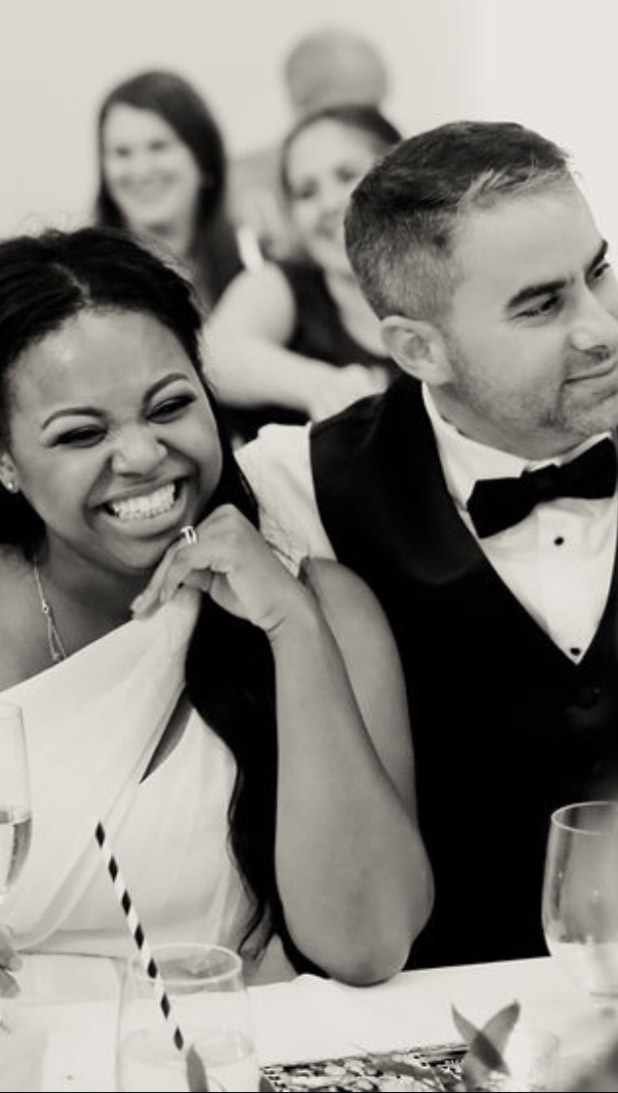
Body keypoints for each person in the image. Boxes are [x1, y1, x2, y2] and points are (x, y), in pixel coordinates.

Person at [0, 226, 432, 992]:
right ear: (6, 461)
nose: (142, 455)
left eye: (170, 406)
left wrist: (293, 628)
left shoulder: (324, 606)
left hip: (222, 1041)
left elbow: (367, 943)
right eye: (83, 432)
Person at [238, 119, 618, 969]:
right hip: (441, 1009)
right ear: (419, 348)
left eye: (598, 272)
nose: (600, 327)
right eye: (542, 304)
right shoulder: (299, 487)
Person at [209, 105, 401, 441]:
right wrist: (324, 386)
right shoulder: (282, 286)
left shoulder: (452, 278)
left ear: (401, 175)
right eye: (306, 192)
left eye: (346, 175)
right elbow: (213, 356)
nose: (329, 203)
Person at [227, 25, 391, 262]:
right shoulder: (241, 188)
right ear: (303, 106)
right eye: (362, 112)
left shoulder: (395, 164)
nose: (375, 128)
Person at [94, 69, 246, 317]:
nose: (142, 171)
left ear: (203, 158)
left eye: (158, 147)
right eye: (122, 153)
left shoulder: (251, 258)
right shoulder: (88, 288)